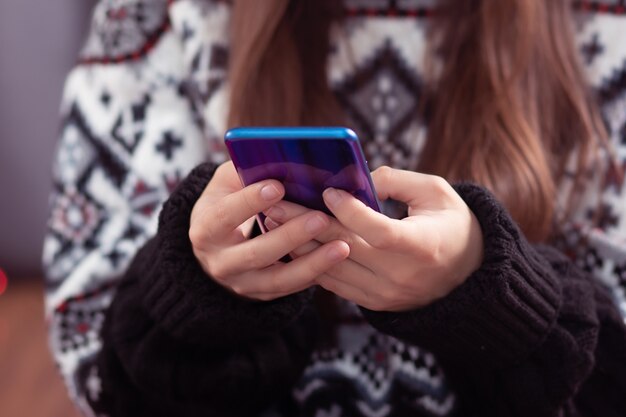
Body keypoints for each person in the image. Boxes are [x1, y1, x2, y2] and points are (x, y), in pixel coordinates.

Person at [43, 0, 626, 416]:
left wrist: (491, 290)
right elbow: (94, 363)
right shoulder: (162, 16)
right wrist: (198, 290)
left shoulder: (606, 24)